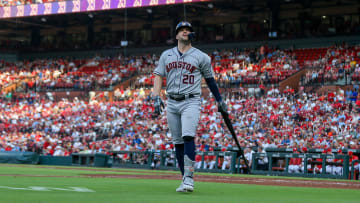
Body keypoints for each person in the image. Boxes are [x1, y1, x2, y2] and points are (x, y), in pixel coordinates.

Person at [152, 21, 227, 193]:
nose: (185, 32)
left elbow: (210, 80)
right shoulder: (166, 55)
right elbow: (158, 75)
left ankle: (189, 178)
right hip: (171, 101)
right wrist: (156, 96)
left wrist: (219, 100)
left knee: (187, 137)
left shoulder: (201, 56)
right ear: (176, 35)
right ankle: (184, 178)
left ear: (192, 35)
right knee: (177, 142)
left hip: (191, 100)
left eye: (188, 30)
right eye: (182, 30)